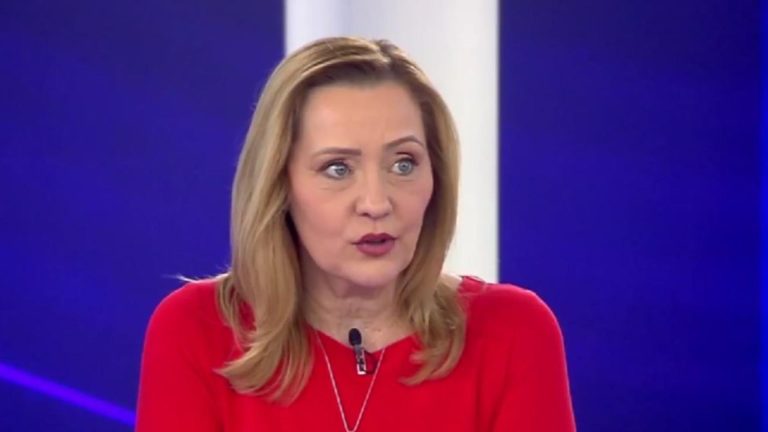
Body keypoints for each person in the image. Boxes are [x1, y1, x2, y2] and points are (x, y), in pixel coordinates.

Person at [135, 36, 576, 432]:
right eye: (337, 168)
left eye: (403, 163)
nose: (376, 202)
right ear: (279, 185)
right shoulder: (198, 332)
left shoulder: (513, 334)